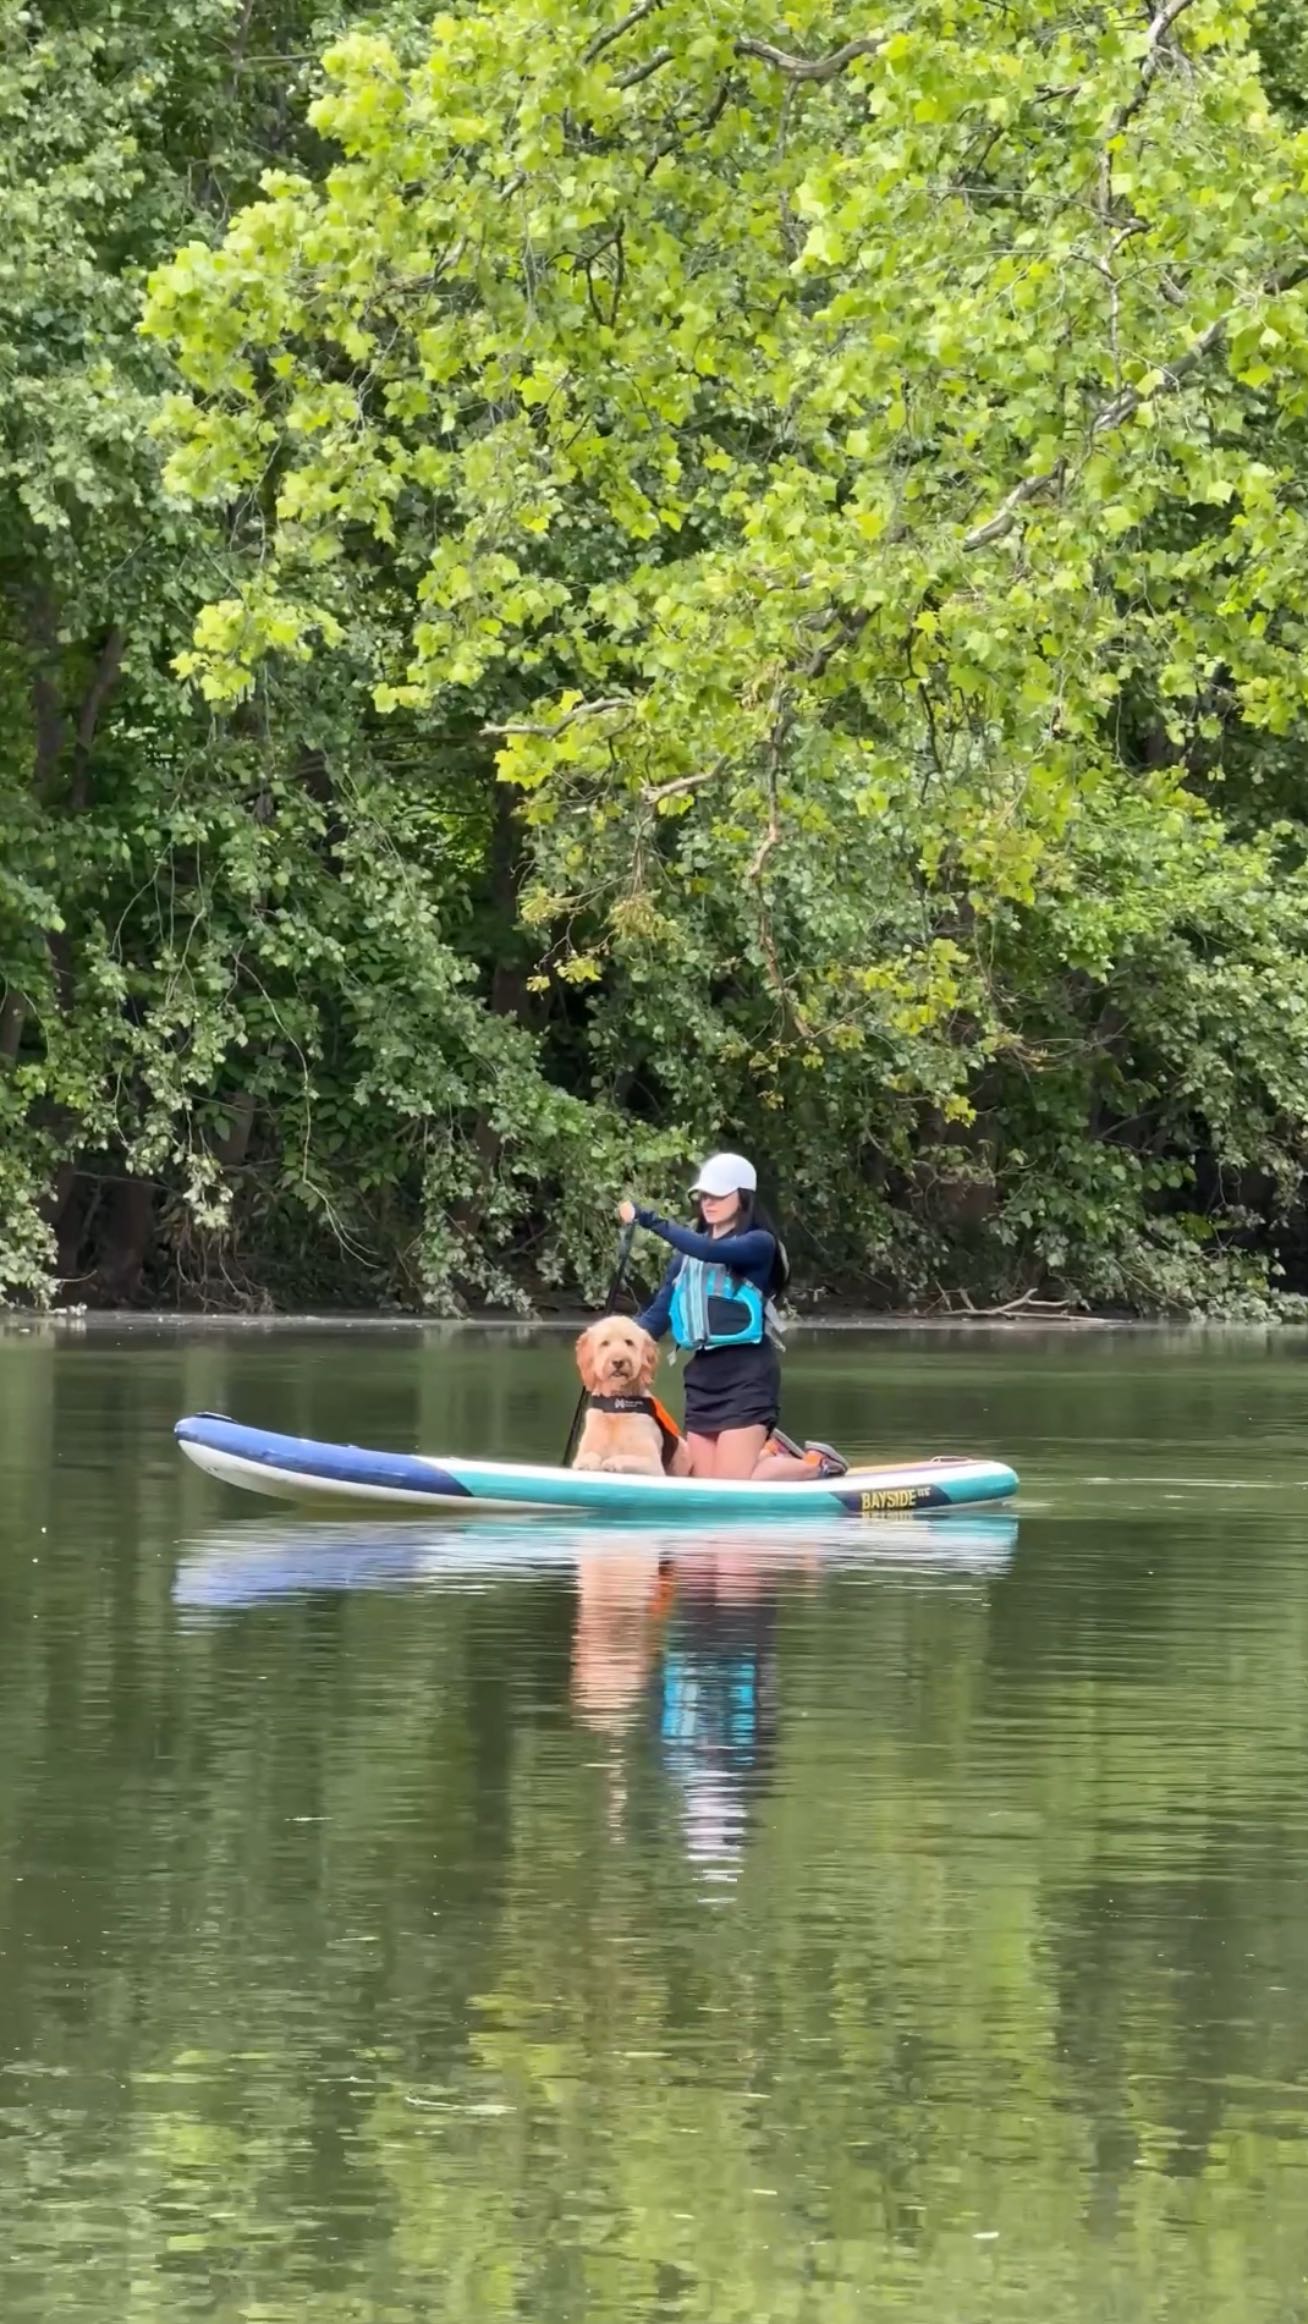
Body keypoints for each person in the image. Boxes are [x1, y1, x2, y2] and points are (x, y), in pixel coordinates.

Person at [618, 1151, 847, 1481]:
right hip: (702, 1379)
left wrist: (648, 1219)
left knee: (735, 1482)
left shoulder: (759, 1244)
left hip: (748, 1377)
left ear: (743, 1197)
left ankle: (817, 1464)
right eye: (703, 1196)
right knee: (704, 1484)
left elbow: (710, 1250)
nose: (708, 1202)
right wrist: (612, 1345)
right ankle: (771, 1452)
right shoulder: (684, 1259)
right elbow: (655, 1319)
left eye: (718, 1195)